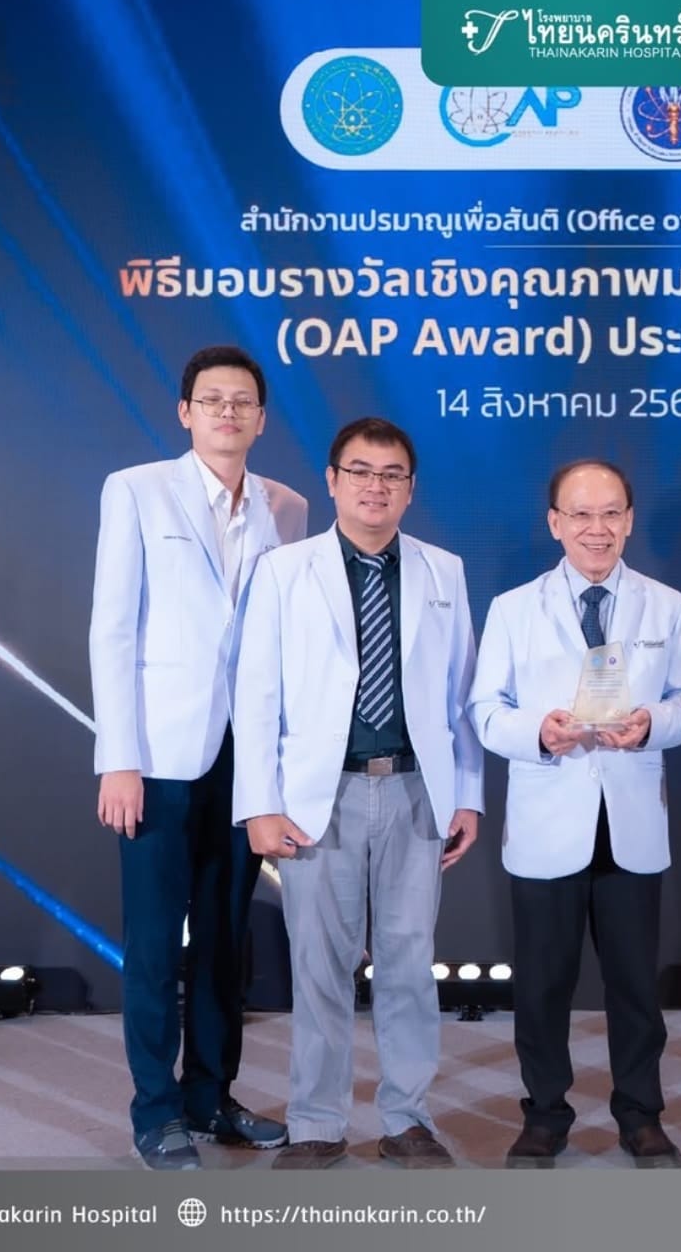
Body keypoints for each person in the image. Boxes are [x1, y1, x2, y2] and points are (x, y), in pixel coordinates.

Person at [232, 416, 484, 1170]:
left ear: (410, 488)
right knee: (319, 965)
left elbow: (461, 694)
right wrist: (259, 803)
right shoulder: (284, 570)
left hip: (414, 792)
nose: (377, 486)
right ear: (333, 480)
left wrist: (467, 793)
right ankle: (315, 1122)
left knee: (409, 963)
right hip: (319, 798)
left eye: (392, 474)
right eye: (362, 471)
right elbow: (256, 693)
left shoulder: (444, 570)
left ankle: (407, 1118)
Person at [89, 345, 309, 1169]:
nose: (227, 412)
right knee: (154, 944)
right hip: (157, 756)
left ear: (261, 418)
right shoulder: (137, 490)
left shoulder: (288, 506)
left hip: (247, 760)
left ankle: (211, 1095)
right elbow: (113, 627)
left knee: (224, 939)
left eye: (242, 401)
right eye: (211, 399)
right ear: (186, 412)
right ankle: (155, 1110)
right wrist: (119, 756)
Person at [467, 460, 681, 1169]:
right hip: (547, 820)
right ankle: (545, 1114)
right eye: (580, 514)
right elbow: (484, 710)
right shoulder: (514, 608)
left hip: (631, 820)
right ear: (555, 523)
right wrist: (539, 733)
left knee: (635, 984)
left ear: (630, 520)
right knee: (542, 985)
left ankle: (641, 1113)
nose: (596, 529)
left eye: (610, 514)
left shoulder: (667, 605)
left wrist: (655, 721)